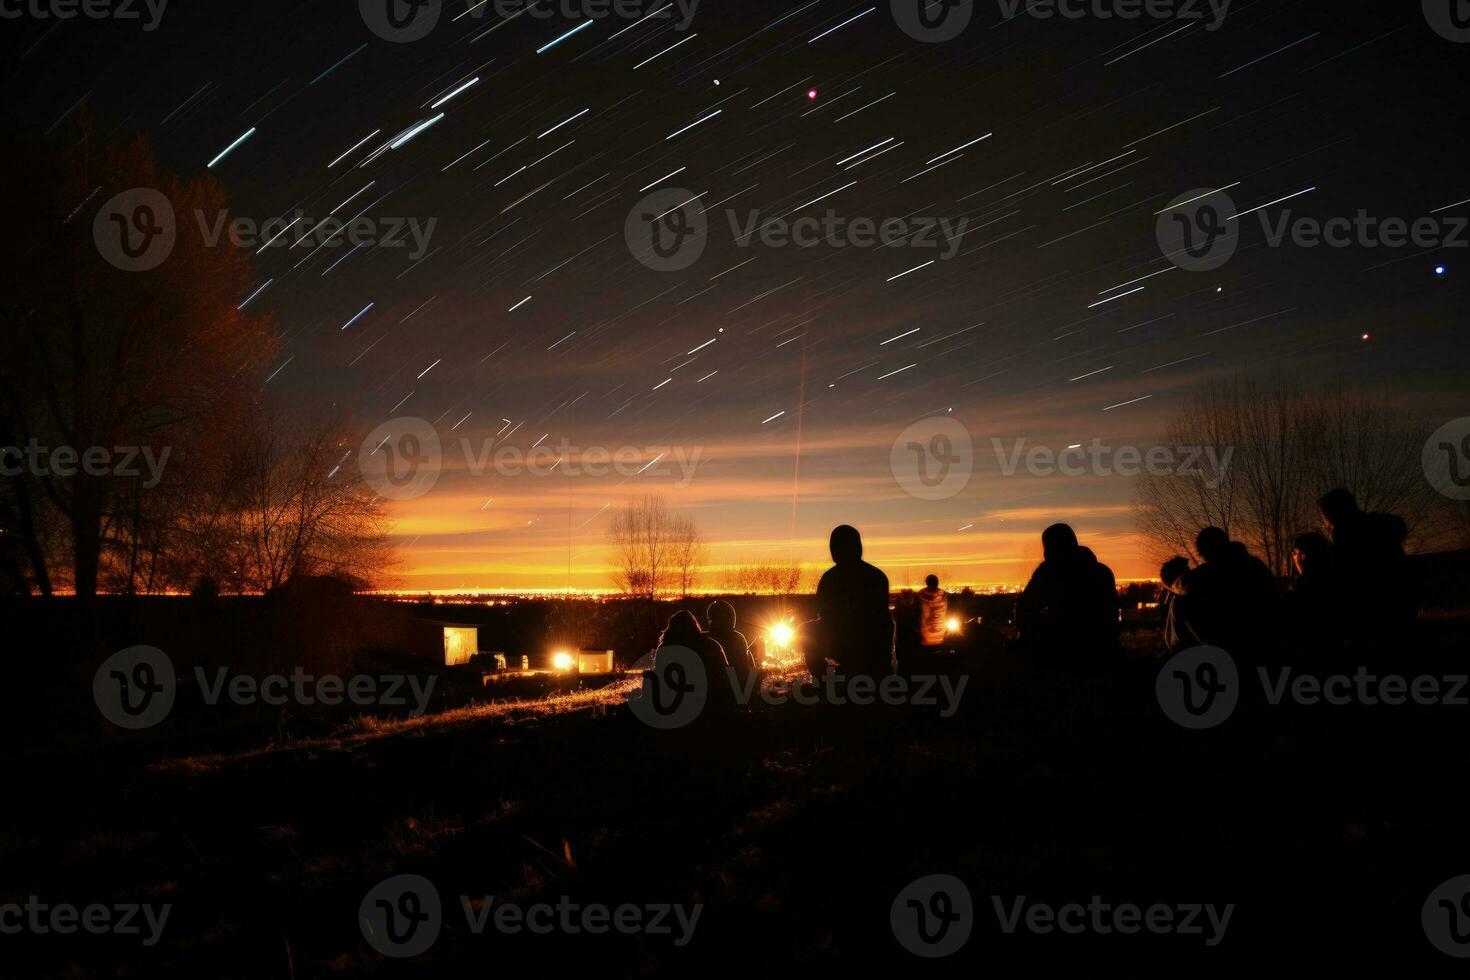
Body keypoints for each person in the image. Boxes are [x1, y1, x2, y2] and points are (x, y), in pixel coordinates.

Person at [1318, 488, 1416, 640]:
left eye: (1324, 517)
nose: (1324, 524)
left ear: (1334, 514)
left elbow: (1345, 584)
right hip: (1402, 608)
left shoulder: (1347, 538)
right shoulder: (1380, 527)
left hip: (1373, 620)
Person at [1162, 527, 1276, 655]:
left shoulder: (1217, 568)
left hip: (1239, 639)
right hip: (1266, 632)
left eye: (1202, 554)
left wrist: (1172, 585)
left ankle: (1188, 655)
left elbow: (1185, 584)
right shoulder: (1255, 564)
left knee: (1180, 602)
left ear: (1205, 551)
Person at [1014, 523, 1119, 659]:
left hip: (1059, 650)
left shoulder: (1048, 573)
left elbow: (1025, 609)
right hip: (1102, 650)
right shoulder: (1102, 572)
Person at [813, 525, 896, 677]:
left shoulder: (829, 578)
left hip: (842, 642)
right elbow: (884, 617)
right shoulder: (877, 576)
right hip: (873, 641)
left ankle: (822, 678)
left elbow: (820, 610)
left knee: (805, 633)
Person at [654, 609, 732, 709]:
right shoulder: (710, 645)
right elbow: (725, 674)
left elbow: (659, 677)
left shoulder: (665, 649)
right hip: (711, 702)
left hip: (673, 705)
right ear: (695, 626)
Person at [1283, 531, 1344, 652]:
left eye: (1295, 552)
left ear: (1304, 556)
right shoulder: (1337, 584)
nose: (1293, 557)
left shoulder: (1299, 591)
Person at [705, 600, 759, 692]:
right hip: (734, 688)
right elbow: (744, 669)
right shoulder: (737, 638)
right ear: (731, 618)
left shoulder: (705, 638)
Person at [919, 575, 949, 648]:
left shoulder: (922, 595)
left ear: (927, 583)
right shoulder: (943, 595)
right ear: (937, 583)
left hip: (927, 636)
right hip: (940, 635)